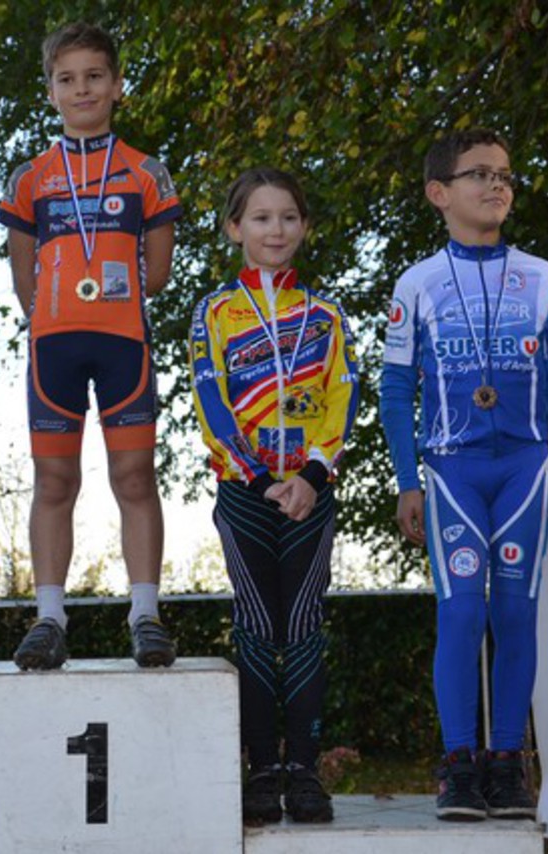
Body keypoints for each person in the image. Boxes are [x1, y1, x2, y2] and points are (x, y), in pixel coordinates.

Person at [378, 128, 548, 821]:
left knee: (515, 612)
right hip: (452, 471)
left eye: (505, 175)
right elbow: (396, 388)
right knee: (462, 609)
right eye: (479, 174)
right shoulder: (417, 282)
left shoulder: (544, 276)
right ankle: (459, 763)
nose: (497, 185)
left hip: (525, 466)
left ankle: (507, 762)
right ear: (439, 193)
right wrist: (407, 479)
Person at [0, 22, 182, 670]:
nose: (82, 89)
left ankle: (145, 615)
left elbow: (156, 274)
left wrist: (105, 297)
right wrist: (57, 310)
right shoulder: (30, 178)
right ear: (50, 91)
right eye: (67, 79)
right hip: (54, 346)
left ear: (117, 85)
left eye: (94, 76)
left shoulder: (146, 172)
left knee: (135, 475)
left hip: (124, 341)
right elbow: (23, 276)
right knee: (54, 480)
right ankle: (49, 618)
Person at [190, 168, 361, 825]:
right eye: (261, 218)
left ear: (305, 227)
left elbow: (343, 395)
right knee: (259, 626)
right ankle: (263, 769)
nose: (276, 229)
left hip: (311, 493)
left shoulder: (325, 313)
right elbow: (210, 398)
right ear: (235, 228)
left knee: (305, 624)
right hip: (246, 492)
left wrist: (312, 476)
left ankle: (305, 770)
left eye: (289, 217)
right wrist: (262, 480)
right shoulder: (215, 312)